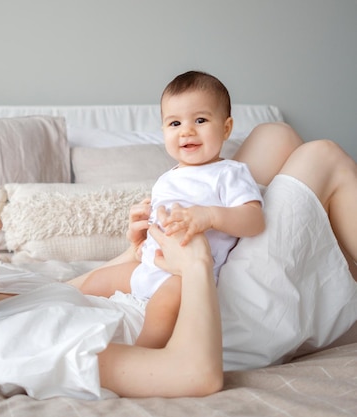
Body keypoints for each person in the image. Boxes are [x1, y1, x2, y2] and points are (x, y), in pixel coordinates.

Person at [0, 123, 357, 399]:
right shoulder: (1, 350)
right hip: (211, 322)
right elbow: (194, 375)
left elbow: (77, 291)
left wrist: (134, 249)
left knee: (275, 136)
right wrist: (192, 262)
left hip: (167, 289)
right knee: (320, 157)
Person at [78, 71, 265, 348]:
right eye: (175, 123)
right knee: (94, 282)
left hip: (185, 277)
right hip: (149, 266)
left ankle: (145, 355)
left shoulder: (228, 173)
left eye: (200, 120)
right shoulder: (167, 177)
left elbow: (254, 220)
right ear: (164, 130)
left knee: (162, 309)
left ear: (226, 128)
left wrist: (210, 216)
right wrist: (144, 232)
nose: (186, 131)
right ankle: (59, 318)